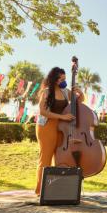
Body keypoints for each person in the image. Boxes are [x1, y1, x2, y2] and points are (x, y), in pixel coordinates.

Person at [34, 67, 84, 195]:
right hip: (46, 126)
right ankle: (41, 190)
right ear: (54, 79)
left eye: (65, 79)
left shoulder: (65, 91)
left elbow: (78, 102)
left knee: (60, 157)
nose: (64, 81)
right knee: (45, 157)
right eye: (61, 79)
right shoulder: (46, 91)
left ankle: (56, 188)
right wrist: (62, 117)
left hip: (61, 127)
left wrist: (80, 93)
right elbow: (43, 111)